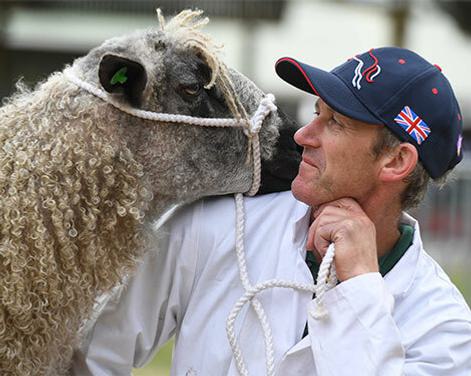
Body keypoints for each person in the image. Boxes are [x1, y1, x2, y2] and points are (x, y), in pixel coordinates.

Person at [72, 47, 471, 375]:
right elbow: (89, 358)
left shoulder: (446, 331)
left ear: (396, 160)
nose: (302, 135)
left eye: (336, 123)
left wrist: (360, 288)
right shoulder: (218, 224)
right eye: (317, 112)